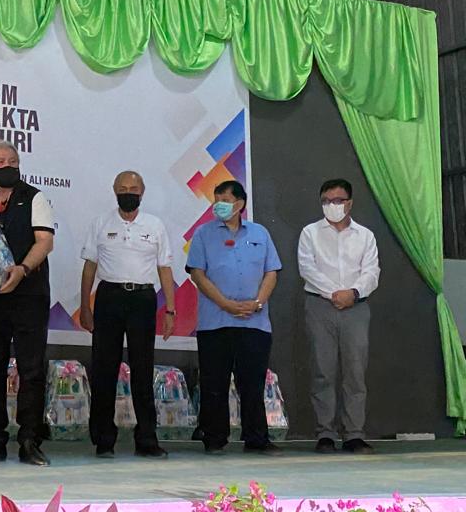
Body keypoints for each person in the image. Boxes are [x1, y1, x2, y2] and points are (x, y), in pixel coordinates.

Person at [79, 171, 175, 459]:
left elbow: (165, 269)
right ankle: (104, 440)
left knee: (143, 370)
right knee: (104, 369)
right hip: (109, 297)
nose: (128, 192)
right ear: (114, 191)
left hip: (144, 299)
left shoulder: (155, 225)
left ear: (142, 192)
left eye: (133, 188)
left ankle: (147, 439)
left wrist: (170, 308)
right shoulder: (100, 223)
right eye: (122, 188)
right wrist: (85, 306)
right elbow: (89, 269)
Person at [0, 141, 56, 467]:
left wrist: (22, 270)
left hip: (29, 295)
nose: (7, 164)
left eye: (12, 160)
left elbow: (45, 241)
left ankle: (30, 440)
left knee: (31, 369)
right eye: (0, 161)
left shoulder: (34, 197)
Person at [186, 180, 281, 456]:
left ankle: (257, 438)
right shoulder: (203, 234)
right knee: (214, 383)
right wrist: (226, 304)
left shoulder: (260, 233)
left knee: (252, 382)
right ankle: (214, 438)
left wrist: (258, 302)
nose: (219, 205)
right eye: (216, 200)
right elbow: (197, 275)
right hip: (215, 321)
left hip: (255, 322)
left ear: (240, 203)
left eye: (225, 200)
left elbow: (271, 271)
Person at [298, 178, 379, 456]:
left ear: (350, 202)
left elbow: (371, 272)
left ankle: (354, 434)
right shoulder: (310, 233)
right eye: (326, 201)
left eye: (338, 200)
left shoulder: (365, 236)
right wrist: (335, 293)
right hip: (321, 306)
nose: (332, 206)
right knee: (323, 371)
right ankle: (326, 433)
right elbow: (307, 268)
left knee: (355, 373)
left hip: (356, 308)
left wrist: (353, 293)